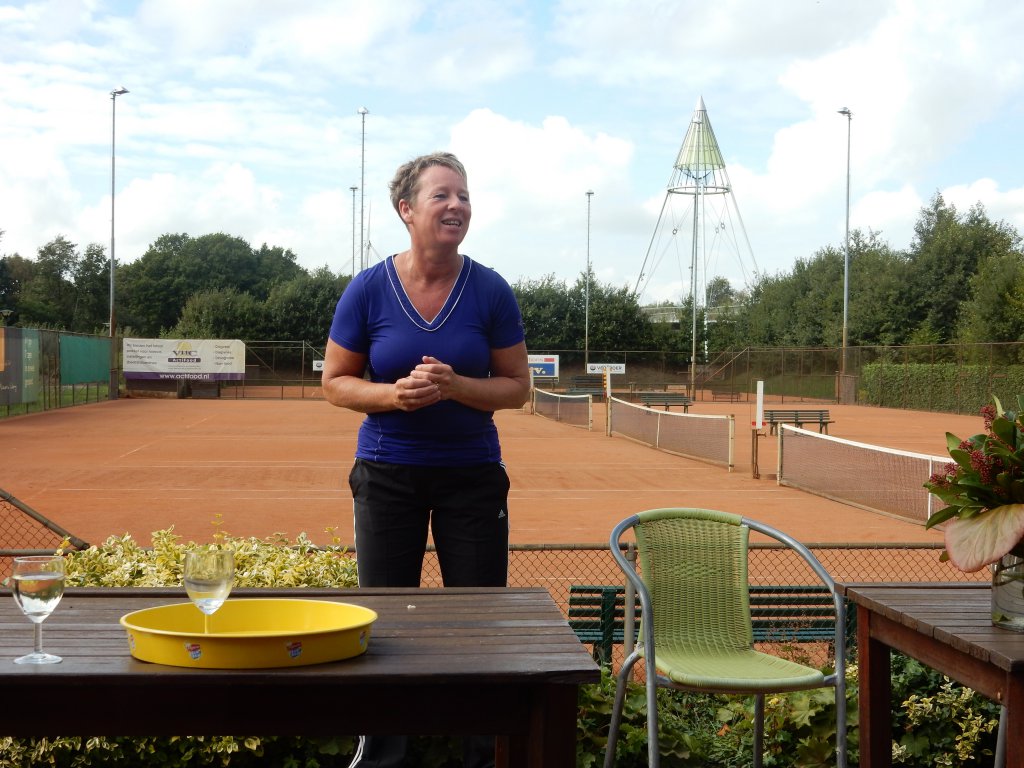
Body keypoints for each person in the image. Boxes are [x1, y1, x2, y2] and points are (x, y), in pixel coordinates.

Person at [321, 151, 530, 768]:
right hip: (387, 475)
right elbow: (335, 382)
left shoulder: (490, 289)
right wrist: (393, 395)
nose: (457, 205)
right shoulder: (368, 288)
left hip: (472, 477)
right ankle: (383, 758)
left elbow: (518, 387)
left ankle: (480, 757)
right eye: (442, 195)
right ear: (406, 210)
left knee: (477, 621)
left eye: (463, 195)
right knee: (387, 621)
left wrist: (458, 386)